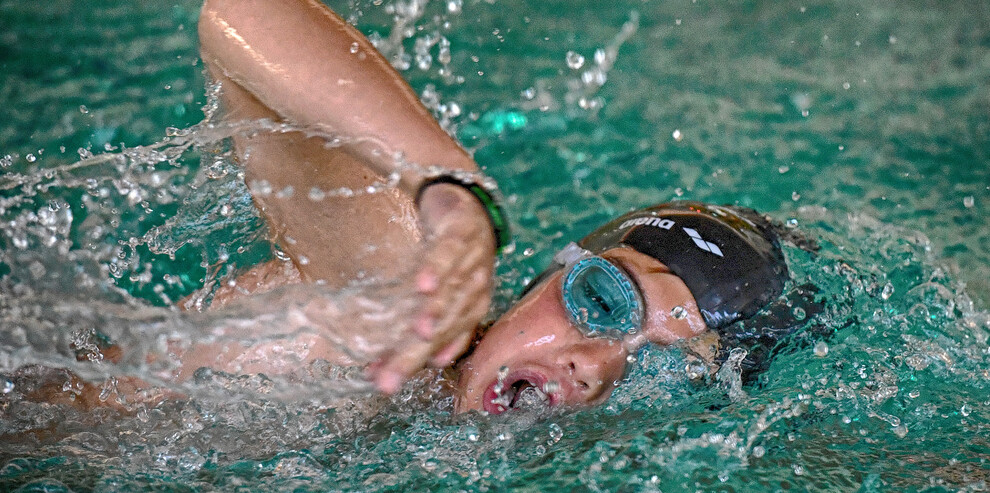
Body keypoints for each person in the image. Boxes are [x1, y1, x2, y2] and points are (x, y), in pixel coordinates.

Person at [15, 0, 816, 416]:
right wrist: (450, 191)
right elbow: (242, 18)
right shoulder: (404, 310)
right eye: (602, 303)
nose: (594, 365)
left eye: (667, 374)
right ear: (548, 273)